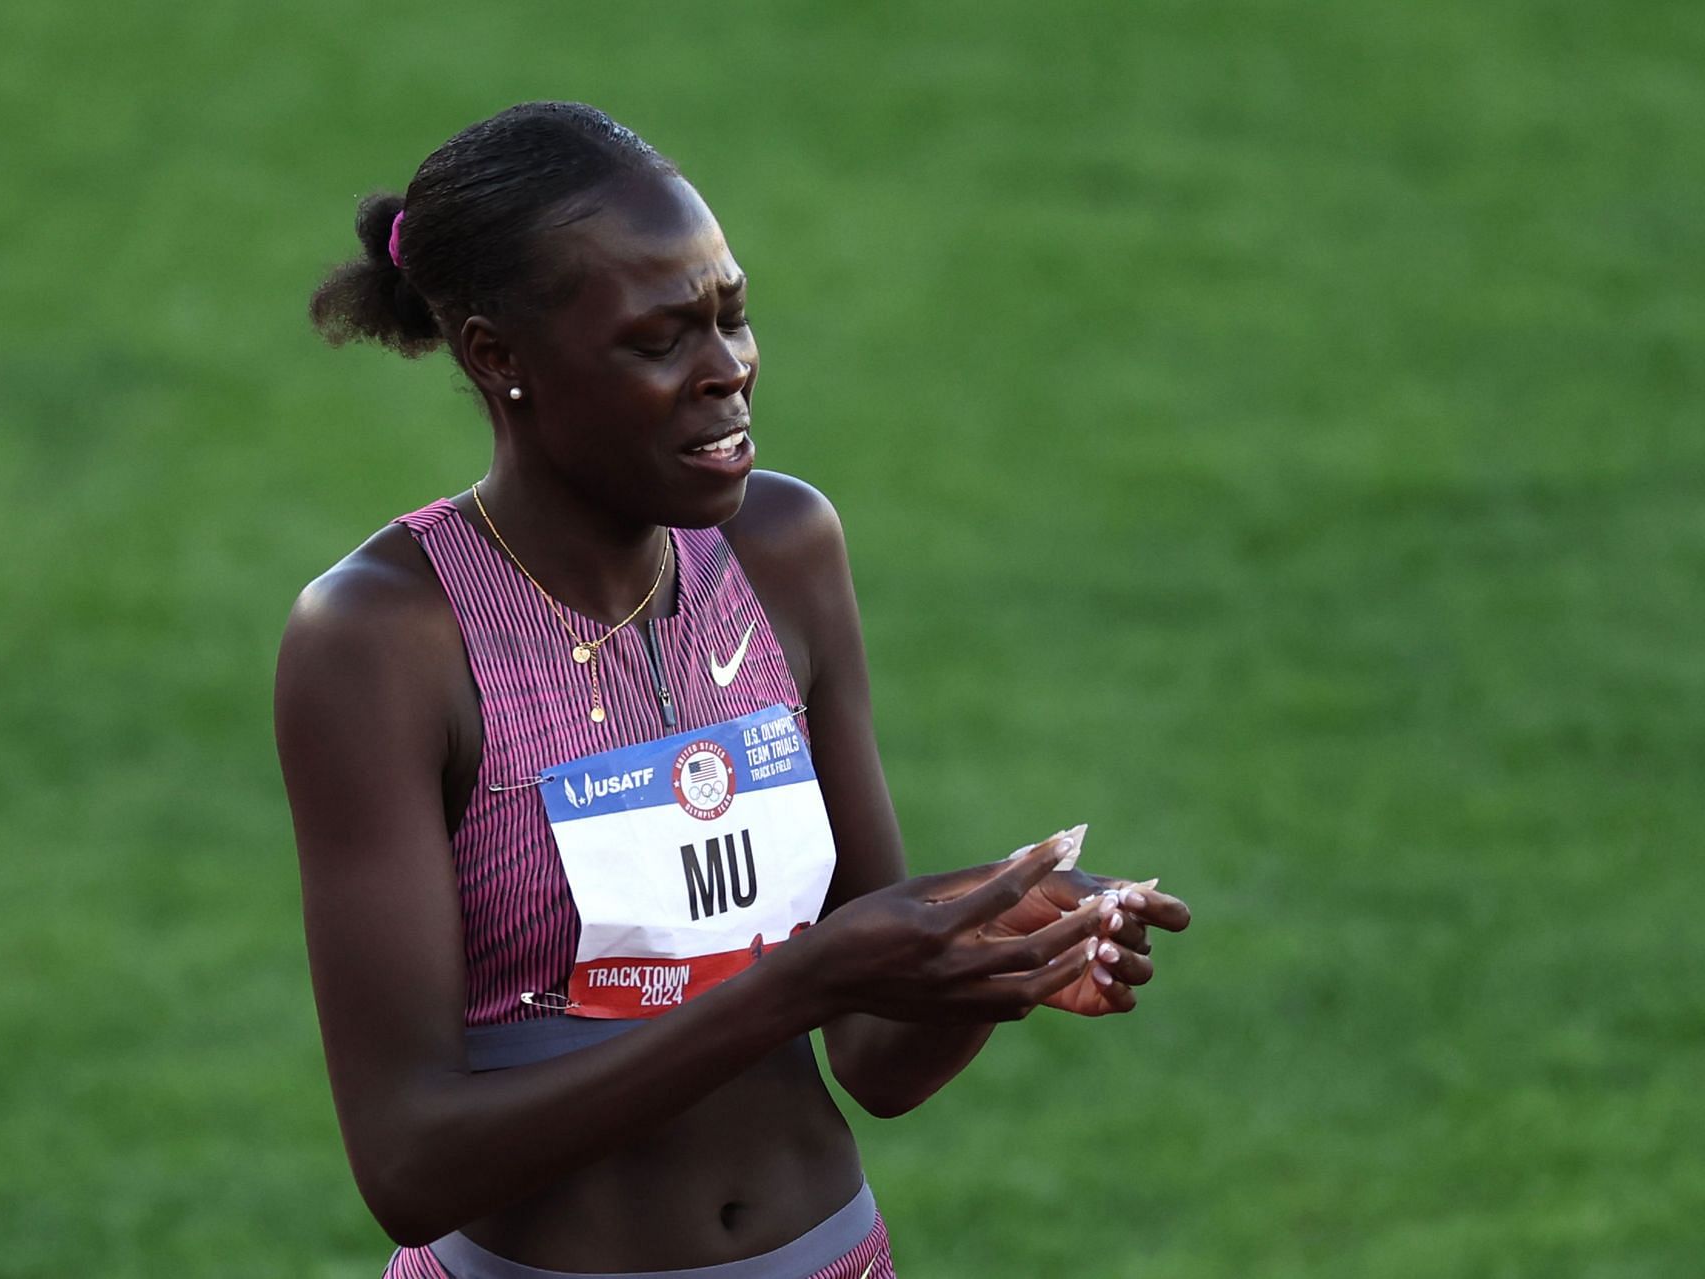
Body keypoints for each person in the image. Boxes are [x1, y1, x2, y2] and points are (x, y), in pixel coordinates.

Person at [275, 102, 1190, 1279]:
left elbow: (872, 1055)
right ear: (501, 358)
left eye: (732, 315)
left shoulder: (784, 549)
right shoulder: (385, 637)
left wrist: (985, 956)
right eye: (661, 341)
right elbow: (409, 1168)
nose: (729, 373)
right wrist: (789, 985)